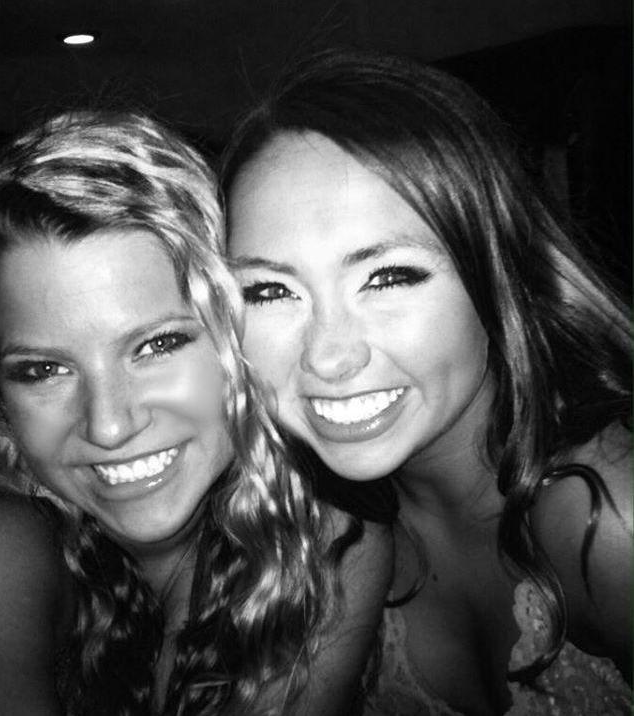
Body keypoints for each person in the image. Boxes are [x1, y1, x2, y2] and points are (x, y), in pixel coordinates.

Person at [0, 110, 392, 715]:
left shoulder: (328, 537)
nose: (109, 426)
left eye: (158, 345)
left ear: (238, 333)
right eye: (43, 370)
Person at [221, 49, 632, 715]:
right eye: (269, 290)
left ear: (498, 275)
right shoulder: (310, 535)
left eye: (388, 277)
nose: (329, 356)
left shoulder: (611, 516)